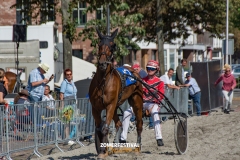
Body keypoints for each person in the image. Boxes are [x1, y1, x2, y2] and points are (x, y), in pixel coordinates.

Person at [120, 60, 165, 146]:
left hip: (153, 103)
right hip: (141, 103)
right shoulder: (141, 80)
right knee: (126, 113)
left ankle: (159, 137)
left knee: (155, 113)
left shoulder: (160, 82)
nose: (150, 70)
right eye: (148, 68)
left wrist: (153, 105)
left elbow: (161, 96)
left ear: (156, 70)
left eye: (152, 68)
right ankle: (123, 138)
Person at [132, 62, 154, 129]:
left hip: (147, 94)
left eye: (135, 69)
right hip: (143, 94)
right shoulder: (139, 73)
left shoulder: (142, 73)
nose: (135, 71)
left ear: (138, 68)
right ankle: (134, 120)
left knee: (150, 109)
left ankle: (151, 124)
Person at [60, 69, 77, 145]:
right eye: (67, 74)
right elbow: (61, 94)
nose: (69, 75)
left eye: (70, 74)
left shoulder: (72, 82)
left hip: (72, 104)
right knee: (67, 122)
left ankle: (69, 138)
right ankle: (67, 139)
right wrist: (62, 105)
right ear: (65, 75)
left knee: (71, 121)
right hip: (67, 104)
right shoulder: (64, 83)